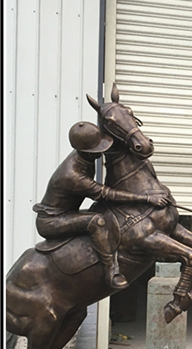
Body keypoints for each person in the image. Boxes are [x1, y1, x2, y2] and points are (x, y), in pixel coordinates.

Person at [33, 121, 169, 290]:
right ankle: (111, 270)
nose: (101, 152)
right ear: (85, 151)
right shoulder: (71, 175)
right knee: (96, 221)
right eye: (97, 150)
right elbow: (107, 194)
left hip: (68, 212)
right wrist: (146, 198)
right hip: (52, 221)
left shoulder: (83, 156)